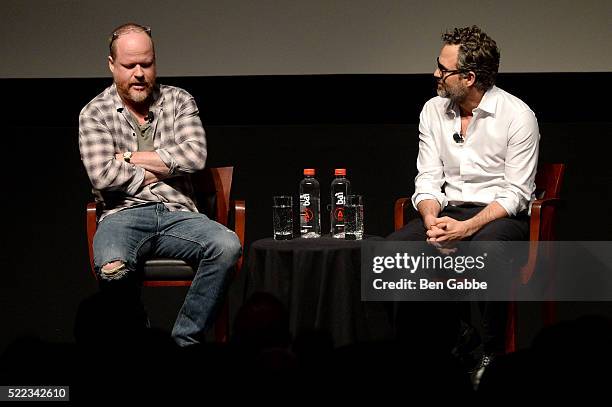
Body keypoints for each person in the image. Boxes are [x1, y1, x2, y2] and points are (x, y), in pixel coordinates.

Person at [388, 25, 539, 383]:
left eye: (443, 68)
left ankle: (491, 353)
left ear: (469, 77)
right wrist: (431, 222)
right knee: (391, 253)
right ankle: (454, 340)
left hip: (499, 214)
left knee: (487, 248)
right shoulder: (432, 110)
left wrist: (467, 228)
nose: (436, 74)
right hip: (448, 211)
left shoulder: (517, 116)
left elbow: (516, 192)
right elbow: (427, 178)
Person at [78, 23, 242, 347]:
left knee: (227, 246)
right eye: (129, 66)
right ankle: (144, 345)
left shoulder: (179, 101)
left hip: (177, 212)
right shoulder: (94, 113)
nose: (139, 73)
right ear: (111, 65)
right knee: (112, 267)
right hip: (120, 216)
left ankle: (184, 342)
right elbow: (102, 176)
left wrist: (126, 157)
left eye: (146, 63)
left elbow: (195, 157)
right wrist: (164, 166)